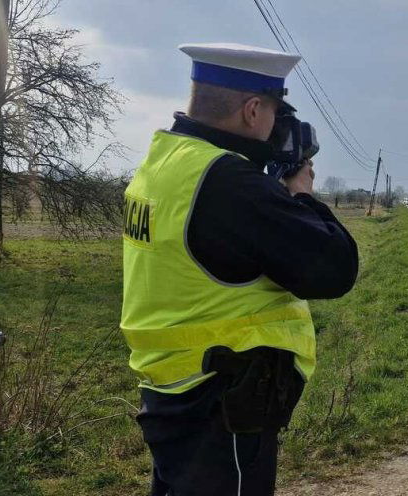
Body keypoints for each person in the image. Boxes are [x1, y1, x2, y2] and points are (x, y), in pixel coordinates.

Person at [120, 42, 359, 496]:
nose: (276, 127)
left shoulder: (163, 161)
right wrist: (301, 194)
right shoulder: (231, 184)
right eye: (273, 112)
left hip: (168, 388)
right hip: (224, 398)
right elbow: (335, 269)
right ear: (252, 110)